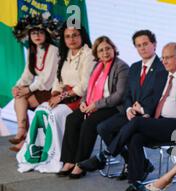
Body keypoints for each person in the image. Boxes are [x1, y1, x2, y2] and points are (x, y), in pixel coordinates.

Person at [104, 42, 176, 191]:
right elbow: (154, 100)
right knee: (135, 136)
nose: (164, 61)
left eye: (168, 57)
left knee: (137, 124)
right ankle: (136, 184)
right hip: (159, 123)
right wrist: (145, 111)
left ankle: (106, 154)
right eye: (163, 58)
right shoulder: (161, 76)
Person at [79, 30, 165, 180]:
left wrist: (143, 109)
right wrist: (129, 108)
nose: (142, 48)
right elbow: (127, 95)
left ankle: (106, 157)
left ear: (154, 45)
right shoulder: (135, 67)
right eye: (138, 46)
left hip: (149, 116)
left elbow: (159, 96)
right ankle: (138, 163)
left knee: (130, 134)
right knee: (103, 127)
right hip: (131, 113)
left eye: (145, 44)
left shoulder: (162, 68)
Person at [16, 22, 95, 173]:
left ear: (82, 36)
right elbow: (57, 81)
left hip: (81, 99)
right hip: (63, 96)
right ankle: (38, 153)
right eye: (67, 36)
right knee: (41, 110)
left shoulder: (88, 54)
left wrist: (61, 97)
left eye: (75, 35)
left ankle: (58, 157)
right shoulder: (65, 54)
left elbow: (84, 86)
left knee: (54, 114)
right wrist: (54, 95)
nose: (71, 39)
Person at [57, 36, 129, 179]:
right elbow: (89, 88)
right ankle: (69, 160)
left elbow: (119, 95)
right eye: (101, 50)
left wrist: (96, 105)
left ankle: (81, 164)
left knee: (89, 123)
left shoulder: (121, 67)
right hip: (93, 104)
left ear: (113, 49)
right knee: (72, 119)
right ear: (96, 54)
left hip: (114, 107)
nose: (105, 53)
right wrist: (83, 102)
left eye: (108, 48)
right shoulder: (97, 66)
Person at [9, 13, 61, 152]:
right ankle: (22, 131)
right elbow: (27, 74)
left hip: (52, 89)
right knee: (19, 95)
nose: (37, 36)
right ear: (29, 36)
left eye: (40, 32)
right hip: (40, 88)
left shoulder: (53, 50)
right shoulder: (32, 50)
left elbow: (47, 79)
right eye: (33, 33)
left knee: (25, 99)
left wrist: (28, 90)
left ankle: (24, 136)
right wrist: (18, 86)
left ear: (46, 34)